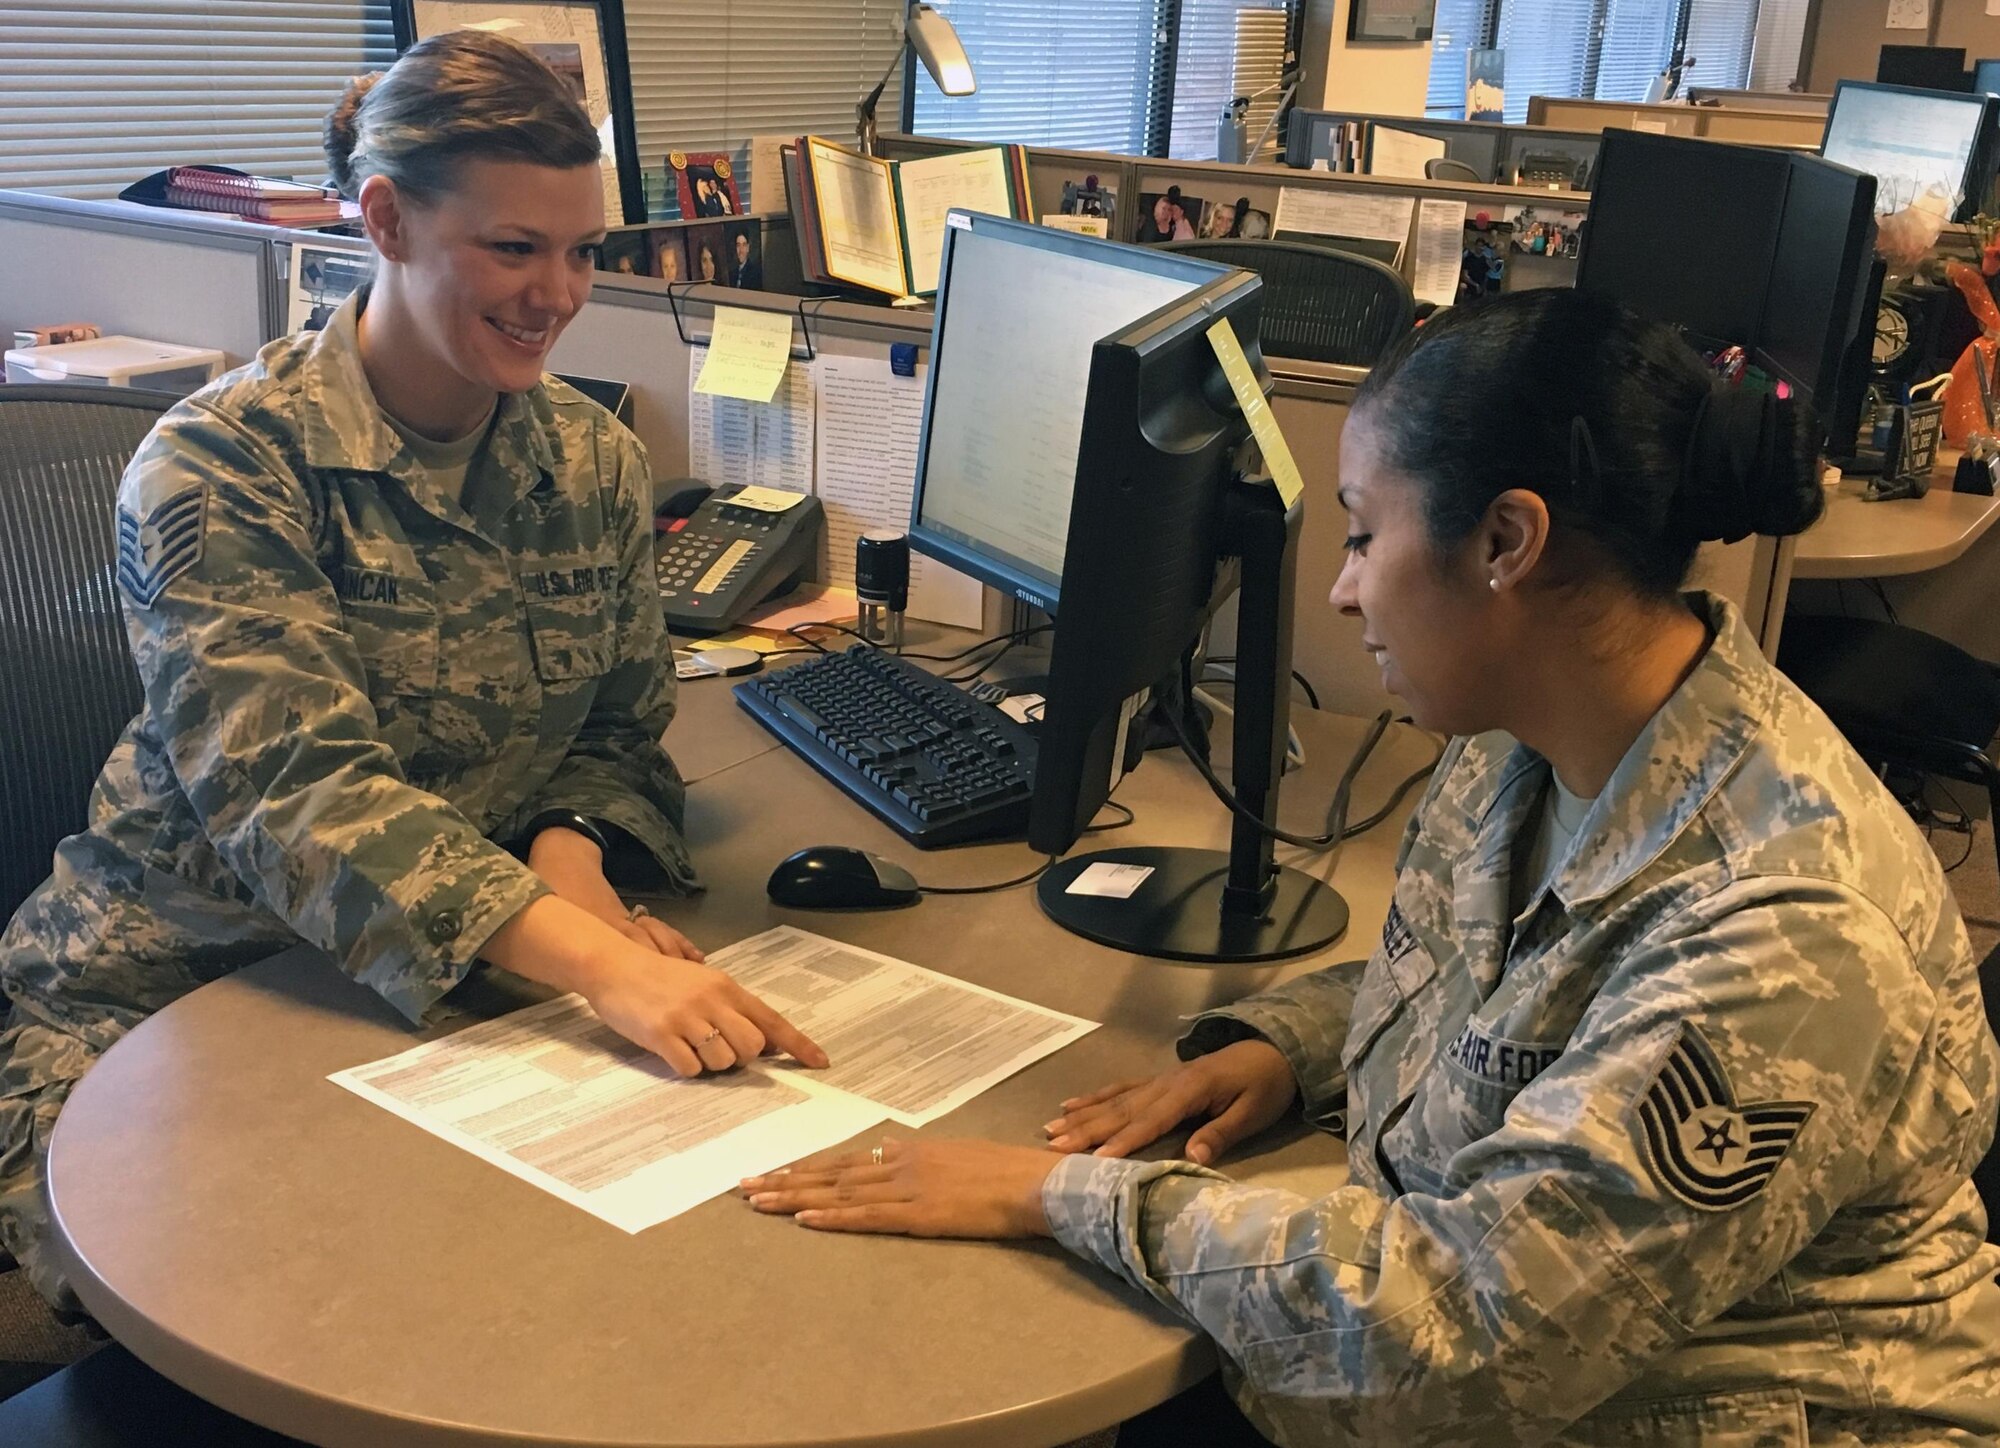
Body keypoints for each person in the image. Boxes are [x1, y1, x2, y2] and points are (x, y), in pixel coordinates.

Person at [741, 288, 2000, 1444]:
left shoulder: (1784, 929)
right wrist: (1285, 1046)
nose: (1340, 593)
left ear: (1506, 539)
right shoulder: (1530, 732)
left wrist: (1056, 1194)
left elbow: (1457, 1335)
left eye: (1360, 534)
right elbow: (1509, 982)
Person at [0, 28, 824, 1319]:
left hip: (435, 1013)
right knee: (297, 1312)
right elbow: (303, 798)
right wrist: (605, 968)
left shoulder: (592, 463)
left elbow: (617, 732)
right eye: (513, 248)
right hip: (155, 1018)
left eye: (583, 252)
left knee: (603, 1285)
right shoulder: (224, 468)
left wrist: (573, 857)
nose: (557, 294)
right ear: (385, 219)